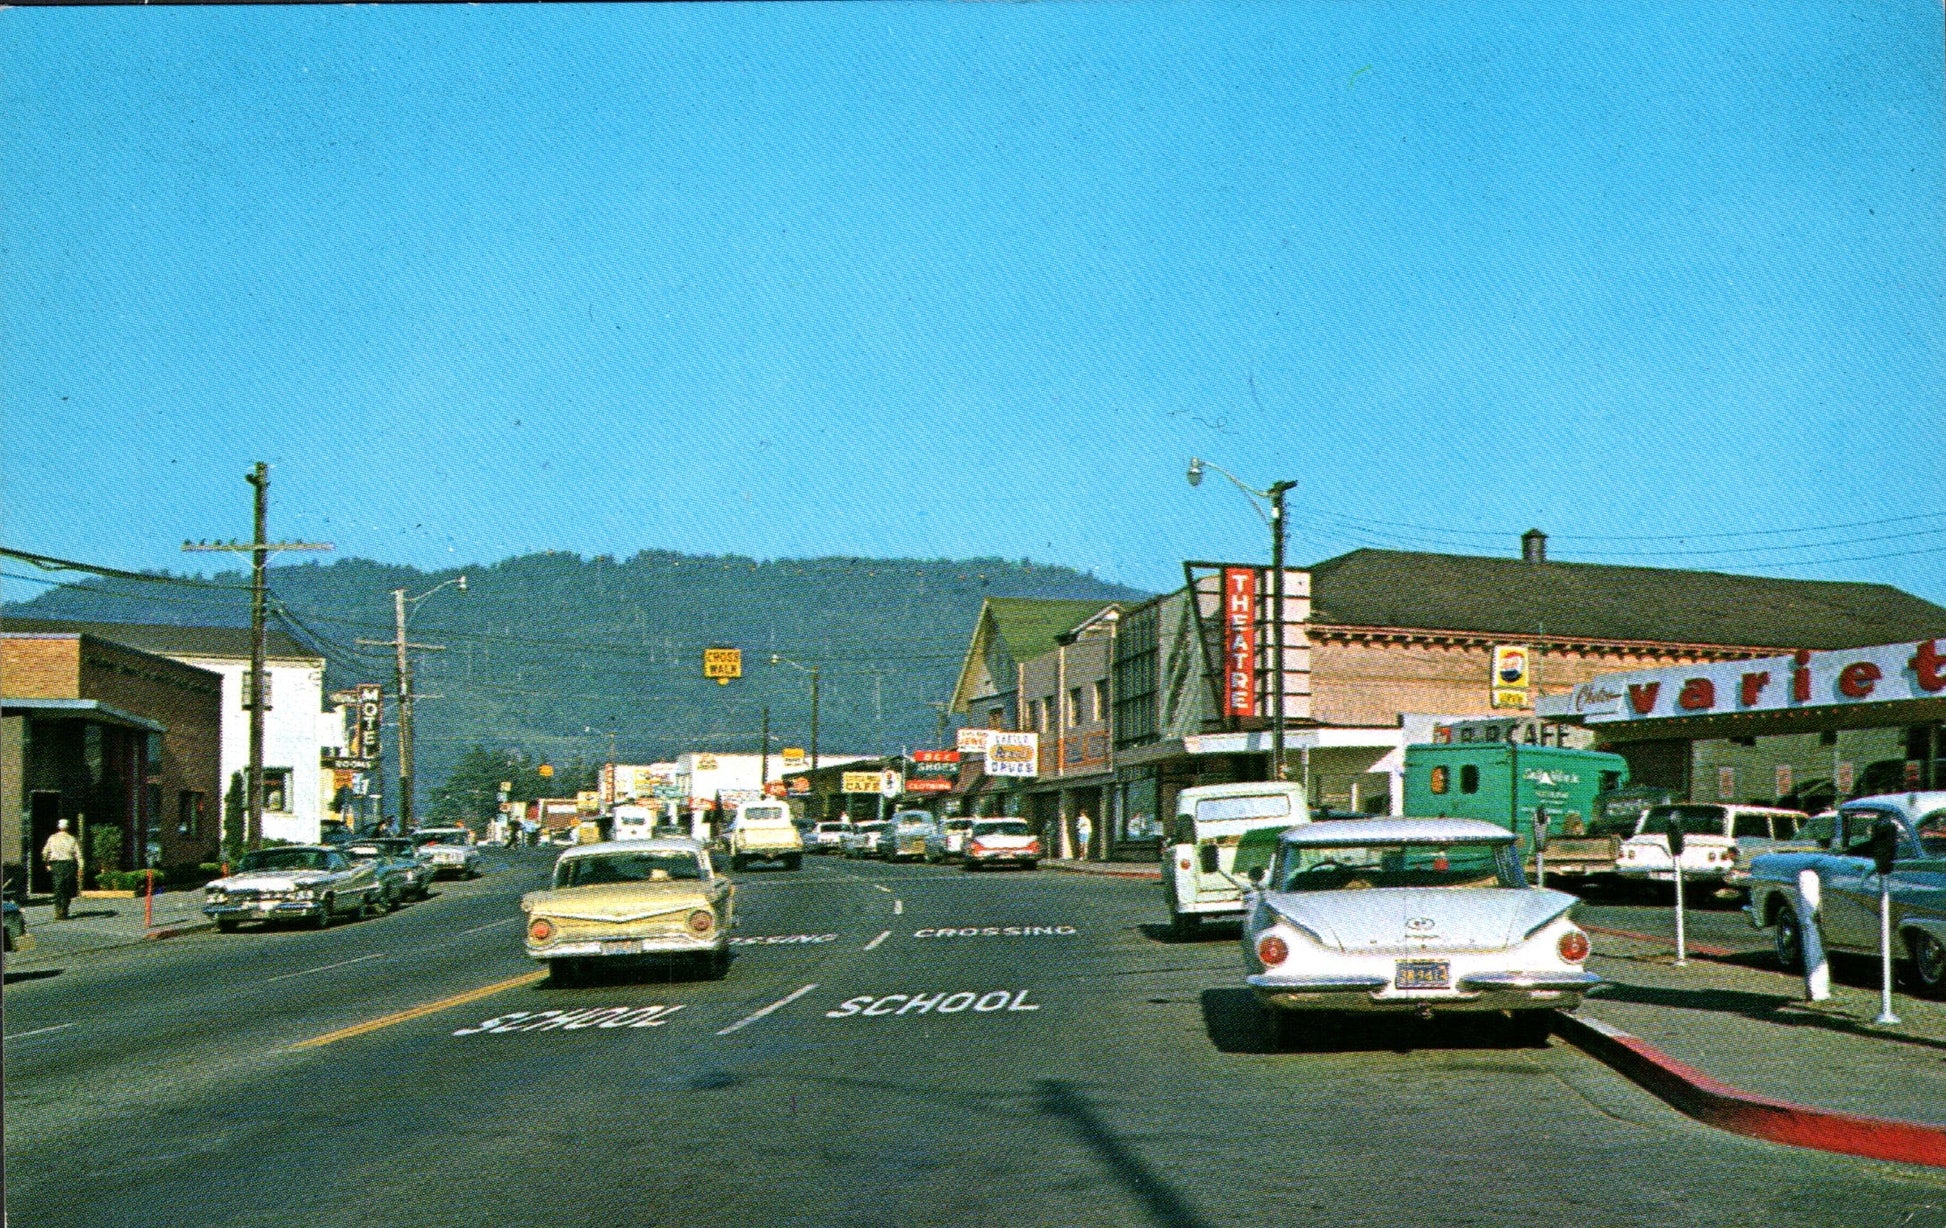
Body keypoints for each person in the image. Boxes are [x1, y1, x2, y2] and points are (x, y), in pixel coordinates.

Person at [42, 819, 80, 921]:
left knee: (58, 887)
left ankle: (58, 911)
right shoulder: (72, 839)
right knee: (67, 887)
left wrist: (46, 863)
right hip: (69, 865)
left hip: (56, 865)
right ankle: (64, 909)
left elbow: (45, 852)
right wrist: (81, 867)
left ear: (58, 827)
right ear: (68, 827)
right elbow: (78, 854)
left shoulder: (52, 838)